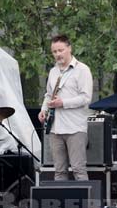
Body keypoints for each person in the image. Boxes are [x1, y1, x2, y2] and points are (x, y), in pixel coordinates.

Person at [38, 34, 93, 181]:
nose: (57, 54)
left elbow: (86, 98)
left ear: (69, 48)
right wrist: (43, 110)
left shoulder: (82, 70)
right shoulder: (53, 71)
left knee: (78, 169)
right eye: (54, 52)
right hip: (56, 127)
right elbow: (48, 95)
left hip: (75, 127)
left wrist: (63, 103)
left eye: (60, 50)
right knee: (59, 171)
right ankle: (62, 203)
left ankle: (84, 204)